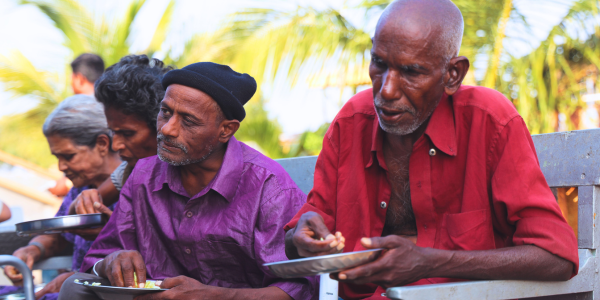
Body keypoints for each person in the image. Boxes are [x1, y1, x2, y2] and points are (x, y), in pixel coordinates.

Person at [284, 0, 579, 299]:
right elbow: (301, 237)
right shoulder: (350, 122)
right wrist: (300, 239)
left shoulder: (489, 121)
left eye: (411, 72)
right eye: (380, 64)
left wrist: (429, 262)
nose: (386, 89)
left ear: (453, 75)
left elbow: (556, 258)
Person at [59, 62, 317, 300]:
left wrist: (213, 296)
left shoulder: (269, 187)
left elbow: (299, 288)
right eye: (165, 112)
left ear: (226, 130)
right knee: (75, 287)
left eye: (188, 121)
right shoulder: (143, 175)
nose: (168, 129)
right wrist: (111, 261)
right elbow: (98, 256)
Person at [3, 95, 121, 300]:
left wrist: (77, 279)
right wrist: (32, 250)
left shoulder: (136, 188)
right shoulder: (79, 189)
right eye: (57, 158)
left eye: (68, 156)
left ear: (102, 144)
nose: (61, 167)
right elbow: (57, 235)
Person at [68, 55, 172, 217]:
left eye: (128, 133)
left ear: (162, 127)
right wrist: (84, 200)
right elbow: (76, 211)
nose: (115, 145)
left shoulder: (191, 174)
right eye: (114, 132)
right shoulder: (130, 170)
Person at [49, 53, 105, 198]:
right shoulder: (111, 107)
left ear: (79, 79)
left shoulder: (79, 111)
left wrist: (66, 183)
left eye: (71, 80)